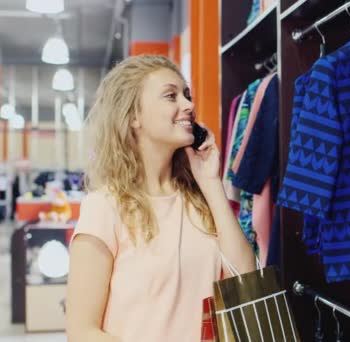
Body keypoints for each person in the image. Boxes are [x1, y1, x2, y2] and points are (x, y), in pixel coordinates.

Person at [66, 55, 255, 342]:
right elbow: (81, 333)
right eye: (171, 96)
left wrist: (211, 181)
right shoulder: (105, 206)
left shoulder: (200, 200)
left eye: (187, 95)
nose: (189, 106)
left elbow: (246, 283)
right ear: (133, 116)